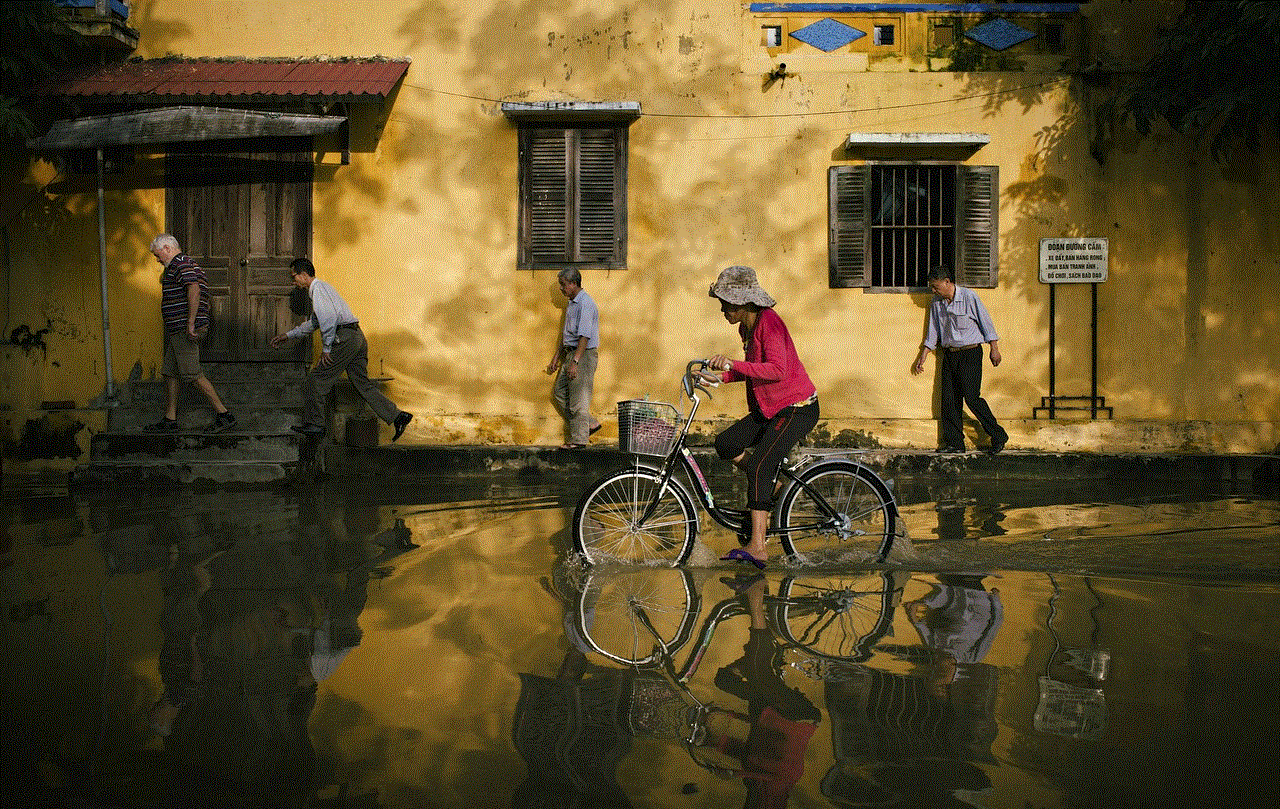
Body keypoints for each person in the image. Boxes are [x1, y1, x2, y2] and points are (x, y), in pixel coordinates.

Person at [700, 266, 819, 569]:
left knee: (759, 468)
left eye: (726, 303)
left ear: (742, 302)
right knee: (726, 443)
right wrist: (721, 378)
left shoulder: (771, 324)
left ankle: (758, 546)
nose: (723, 309)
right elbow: (756, 371)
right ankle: (776, 489)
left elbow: (777, 370)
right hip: (770, 409)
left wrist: (734, 364)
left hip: (797, 407)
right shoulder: (747, 329)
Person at [269, 258, 412, 442]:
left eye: (294, 276)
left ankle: (316, 424)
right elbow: (314, 323)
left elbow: (328, 319)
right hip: (356, 337)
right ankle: (398, 416)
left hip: (344, 338)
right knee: (362, 384)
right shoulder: (322, 289)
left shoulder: (318, 290)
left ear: (304, 275)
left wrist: (327, 349)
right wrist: (288, 336)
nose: (293, 281)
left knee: (316, 379)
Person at [144, 234, 236, 433]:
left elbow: (193, 289)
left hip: (184, 330)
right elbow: (204, 295)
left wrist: (191, 323)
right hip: (179, 330)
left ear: (167, 248)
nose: (157, 259)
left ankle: (224, 415)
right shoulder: (187, 265)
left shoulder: (181, 263)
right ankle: (170, 419)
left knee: (192, 375)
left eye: (157, 255)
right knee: (170, 372)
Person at [911, 266, 1009, 454]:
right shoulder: (936, 303)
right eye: (932, 287)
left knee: (972, 397)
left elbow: (986, 323)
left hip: (970, 353)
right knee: (949, 400)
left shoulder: (969, 297)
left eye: (936, 287)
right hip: (949, 354)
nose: (933, 291)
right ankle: (955, 443)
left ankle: (998, 435)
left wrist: (994, 349)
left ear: (947, 282)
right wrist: (922, 356)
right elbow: (933, 332)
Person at [544, 268, 601, 449]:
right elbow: (566, 333)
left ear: (574, 283)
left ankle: (579, 440)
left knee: (579, 400)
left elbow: (584, 336)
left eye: (563, 284)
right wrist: (556, 357)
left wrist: (575, 362)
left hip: (582, 355)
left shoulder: (585, 304)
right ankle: (589, 423)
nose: (561, 289)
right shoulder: (572, 304)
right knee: (559, 393)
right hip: (570, 353)